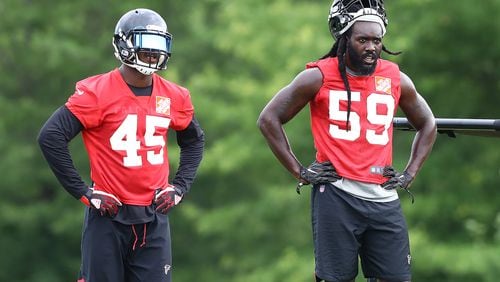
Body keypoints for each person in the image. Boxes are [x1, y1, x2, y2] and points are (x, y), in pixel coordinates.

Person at [257, 0, 436, 281]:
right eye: (362, 39)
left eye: (377, 40)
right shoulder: (317, 76)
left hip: (384, 197)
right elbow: (269, 119)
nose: (371, 47)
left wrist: (409, 174)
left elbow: (428, 124)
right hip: (337, 195)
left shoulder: (395, 77)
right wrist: (300, 171)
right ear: (344, 37)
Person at [37, 8, 204, 282]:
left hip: (154, 216)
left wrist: (180, 186)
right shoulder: (97, 92)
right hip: (108, 217)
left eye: (158, 45)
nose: (152, 53)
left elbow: (194, 140)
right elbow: (51, 136)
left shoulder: (175, 95)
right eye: (145, 44)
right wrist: (83, 192)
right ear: (124, 45)